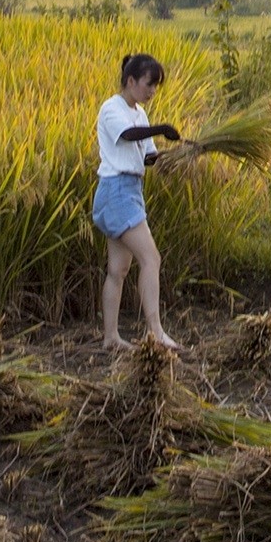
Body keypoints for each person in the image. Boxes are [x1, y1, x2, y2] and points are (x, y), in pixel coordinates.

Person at [93, 53, 185, 352]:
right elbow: (129, 135)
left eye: (156, 85)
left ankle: (110, 338)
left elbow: (146, 158)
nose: (152, 91)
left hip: (131, 189)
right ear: (130, 81)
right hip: (116, 191)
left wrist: (175, 154)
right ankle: (156, 332)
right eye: (149, 84)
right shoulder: (112, 108)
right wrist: (160, 128)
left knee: (118, 270)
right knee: (151, 258)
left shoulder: (140, 113)